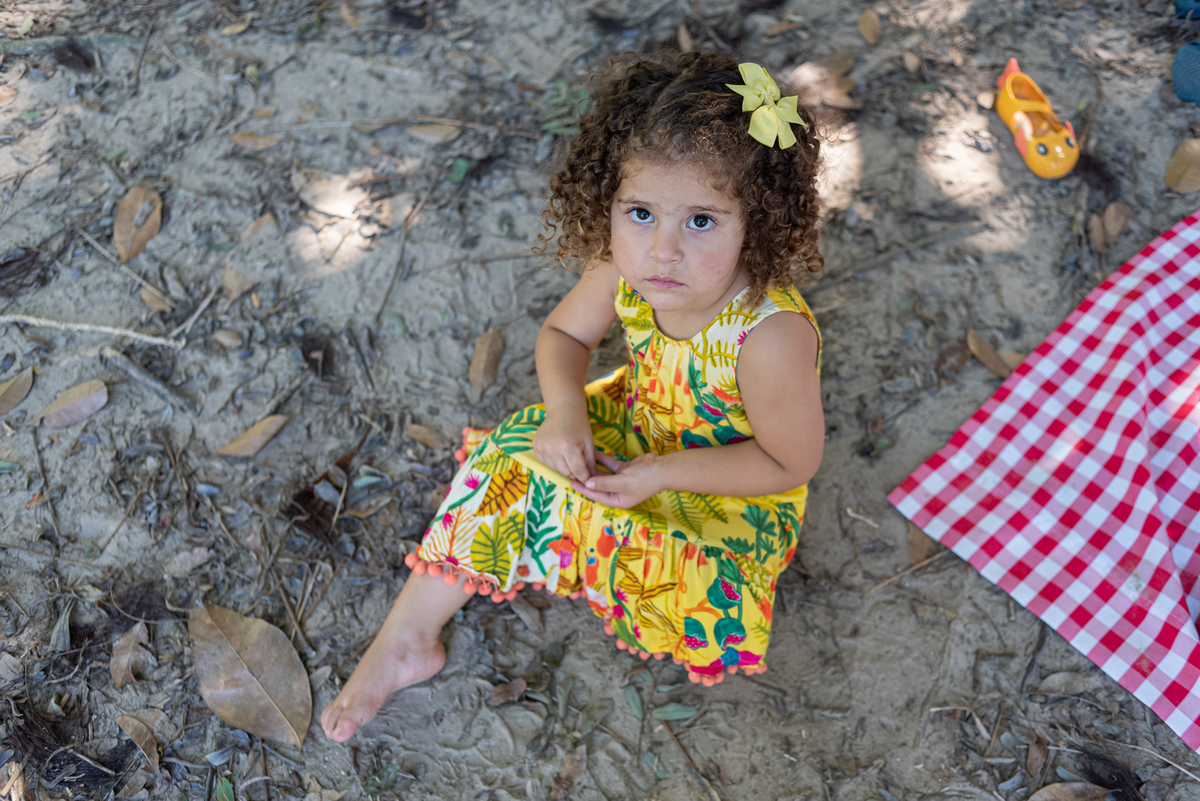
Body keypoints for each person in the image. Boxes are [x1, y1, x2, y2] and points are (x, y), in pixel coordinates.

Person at [321, 50, 825, 743]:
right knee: (510, 457)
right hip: (641, 427)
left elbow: (788, 462)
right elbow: (563, 333)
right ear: (609, 202)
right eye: (641, 212)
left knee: (690, 578)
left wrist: (660, 474)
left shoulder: (769, 336)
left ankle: (600, 547)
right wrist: (567, 411)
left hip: (727, 488)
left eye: (702, 221)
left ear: (756, 224)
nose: (664, 251)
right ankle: (408, 636)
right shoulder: (625, 265)